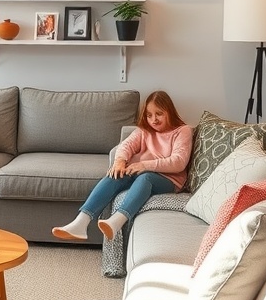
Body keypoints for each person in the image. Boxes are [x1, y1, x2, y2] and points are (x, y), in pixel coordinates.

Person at [52, 90, 193, 242]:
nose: (154, 120)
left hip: (169, 180)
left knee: (146, 178)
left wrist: (144, 165)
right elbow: (125, 145)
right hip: (140, 171)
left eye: (159, 114)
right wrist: (119, 161)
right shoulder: (144, 131)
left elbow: (179, 162)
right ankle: (80, 223)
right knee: (115, 174)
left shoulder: (182, 131)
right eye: (149, 115)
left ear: (169, 112)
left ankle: (117, 221)